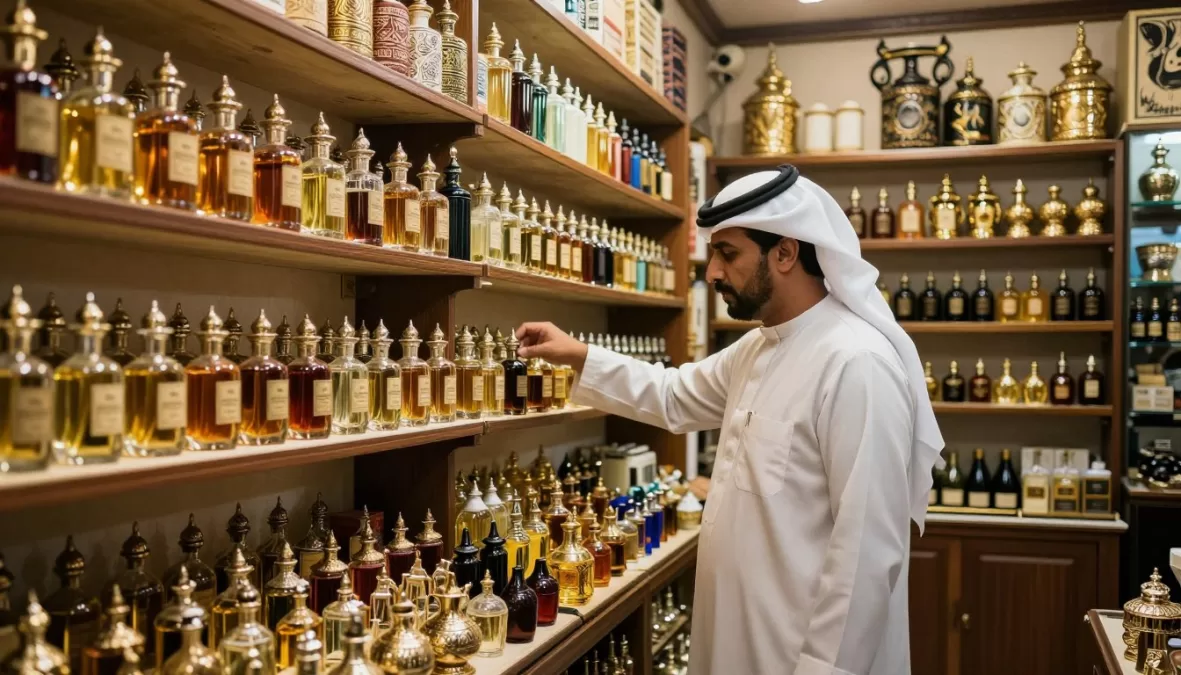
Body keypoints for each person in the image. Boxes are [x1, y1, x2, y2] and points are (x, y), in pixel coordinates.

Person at [515, 166, 944, 675]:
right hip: (739, 636)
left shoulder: (855, 362)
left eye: (728, 254)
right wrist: (579, 354)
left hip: (802, 654)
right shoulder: (758, 346)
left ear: (785, 252)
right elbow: (673, 395)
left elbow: (867, 552)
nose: (712, 272)